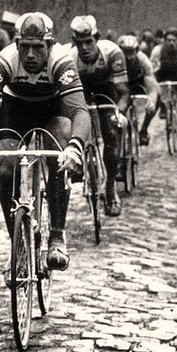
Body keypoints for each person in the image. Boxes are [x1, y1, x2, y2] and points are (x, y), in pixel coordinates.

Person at [0, 12, 89, 273]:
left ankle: (57, 234)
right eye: (24, 47)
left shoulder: (62, 61)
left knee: (59, 153)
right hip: (15, 109)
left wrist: (75, 147)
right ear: (16, 45)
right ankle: (17, 246)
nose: (30, 54)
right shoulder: (5, 60)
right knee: (7, 169)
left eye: (37, 48)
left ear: (50, 46)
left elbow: (79, 112)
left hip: (53, 109)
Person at [64, 14, 129, 216]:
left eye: (89, 42)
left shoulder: (112, 52)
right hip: (80, 91)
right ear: (74, 42)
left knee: (111, 133)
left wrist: (119, 112)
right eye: (80, 43)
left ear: (96, 39)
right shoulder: (67, 56)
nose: (85, 48)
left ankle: (110, 189)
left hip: (106, 90)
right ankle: (80, 162)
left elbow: (123, 91)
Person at [149, 28, 177, 147]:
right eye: (168, 40)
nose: (171, 43)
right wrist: (154, 84)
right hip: (162, 75)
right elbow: (151, 69)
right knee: (158, 100)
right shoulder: (157, 50)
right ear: (164, 41)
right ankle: (146, 126)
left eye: (174, 40)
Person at [117, 34, 159, 147]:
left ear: (137, 50)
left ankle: (144, 129)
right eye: (126, 51)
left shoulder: (143, 59)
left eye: (132, 51)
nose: (129, 56)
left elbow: (152, 85)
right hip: (120, 86)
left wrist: (151, 101)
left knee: (156, 101)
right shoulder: (115, 59)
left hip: (138, 84)